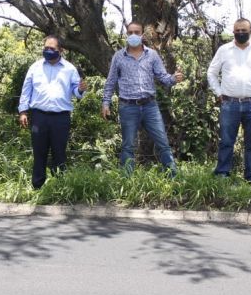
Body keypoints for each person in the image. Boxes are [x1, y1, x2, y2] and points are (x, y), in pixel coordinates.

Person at [101, 21, 183, 174]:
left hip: (150, 106)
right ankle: (127, 182)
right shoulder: (119, 57)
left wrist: (173, 78)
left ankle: (174, 178)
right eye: (130, 32)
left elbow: (163, 77)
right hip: (127, 107)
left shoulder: (152, 55)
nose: (133, 35)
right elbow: (111, 81)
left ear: (142, 34)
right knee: (128, 146)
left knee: (163, 143)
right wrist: (106, 103)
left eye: (136, 32)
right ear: (127, 34)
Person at [206, 18, 251, 189]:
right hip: (229, 103)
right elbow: (211, 72)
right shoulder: (224, 50)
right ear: (233, 32)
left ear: (250, 31)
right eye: (237, 30)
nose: (240, 33)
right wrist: (218, 92)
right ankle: (222, 174)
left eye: (243, 30)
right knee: (226, 141)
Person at [18, 35, 88, 189]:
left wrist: (81, 89)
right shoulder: (35, 67)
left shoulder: (69, 69)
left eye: (52, 49)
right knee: (39, 152)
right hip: (38, 117)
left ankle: (60, 188)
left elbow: (76, 91)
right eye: (46, 48)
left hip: (61, 118)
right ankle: (37, 187)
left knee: (59, 153)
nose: (48, 51)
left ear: (60, 50)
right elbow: (26, 90)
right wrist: (23, 111)